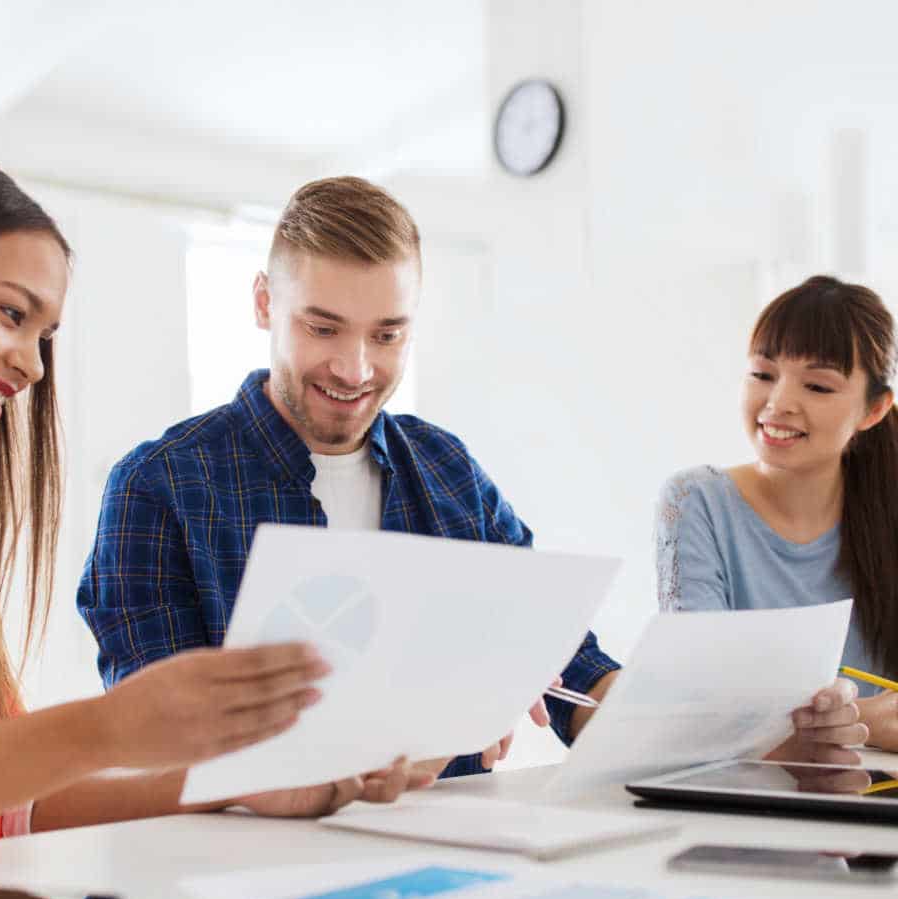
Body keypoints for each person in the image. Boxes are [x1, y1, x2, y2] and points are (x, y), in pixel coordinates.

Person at [0, 146, 418, 855]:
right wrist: (101, 730)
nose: (33, 365)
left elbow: (10, 808)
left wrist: (232, 785)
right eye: (11, 313)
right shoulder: (161, 480)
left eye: (45, 336)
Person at [78, 175, 623, 792]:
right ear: (265, 303)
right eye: (323, 328)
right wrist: (413, 736)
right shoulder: (158, 488)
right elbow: (156, 747)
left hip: (456, 839)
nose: (355, 369)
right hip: (248, 849)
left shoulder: (447, 467)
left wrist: (655, 722)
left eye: (386, 335)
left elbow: (565, 656)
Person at [655, 275, 896, 759]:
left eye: (817, 386)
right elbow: (700, 709)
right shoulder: (695, 501)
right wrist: (864, 720)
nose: (778, 403)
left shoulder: (887, 508)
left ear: (873, 410)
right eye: (762, 375)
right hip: (749, 791)